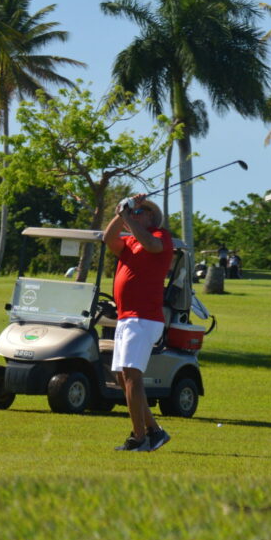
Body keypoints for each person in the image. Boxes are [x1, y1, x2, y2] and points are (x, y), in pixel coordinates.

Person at [103, 193, 174, 452]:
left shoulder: (160, 236)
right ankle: (154, 431)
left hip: (144, 317)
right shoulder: (129, 241)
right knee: (122, 377)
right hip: (126, 318)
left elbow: (152, 246)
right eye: (133, 213)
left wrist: (128, 218)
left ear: (151, 217)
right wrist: (120, 213)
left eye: (138, 212)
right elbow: (108, 238)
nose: (133, 216)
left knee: (132, 375)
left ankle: (139, 437)